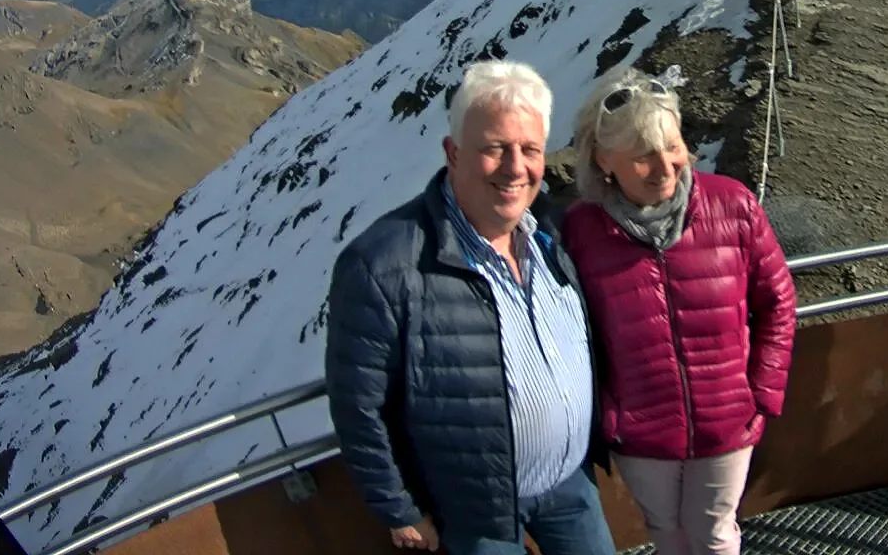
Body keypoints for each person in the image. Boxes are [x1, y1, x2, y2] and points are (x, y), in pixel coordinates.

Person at [324, 60, 617, 554]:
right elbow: (358, 405)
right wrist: (398, 507)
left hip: (570, 483)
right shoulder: (383, 265)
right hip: (474, 511)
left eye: (529, 149)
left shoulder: (554, 231)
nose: (515, 168)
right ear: (453, 153)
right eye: (494, 148)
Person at [561, 66, 797, 555]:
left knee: (715, 534)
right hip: (641, 430)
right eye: (643, 156)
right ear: (605, 161)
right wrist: (610, 412)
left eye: (672, 147)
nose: (666, 167)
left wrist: (760, 393)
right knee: (666, 534)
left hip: (728, 419)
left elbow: (777, 302)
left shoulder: (733, 205)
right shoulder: (581, 232)